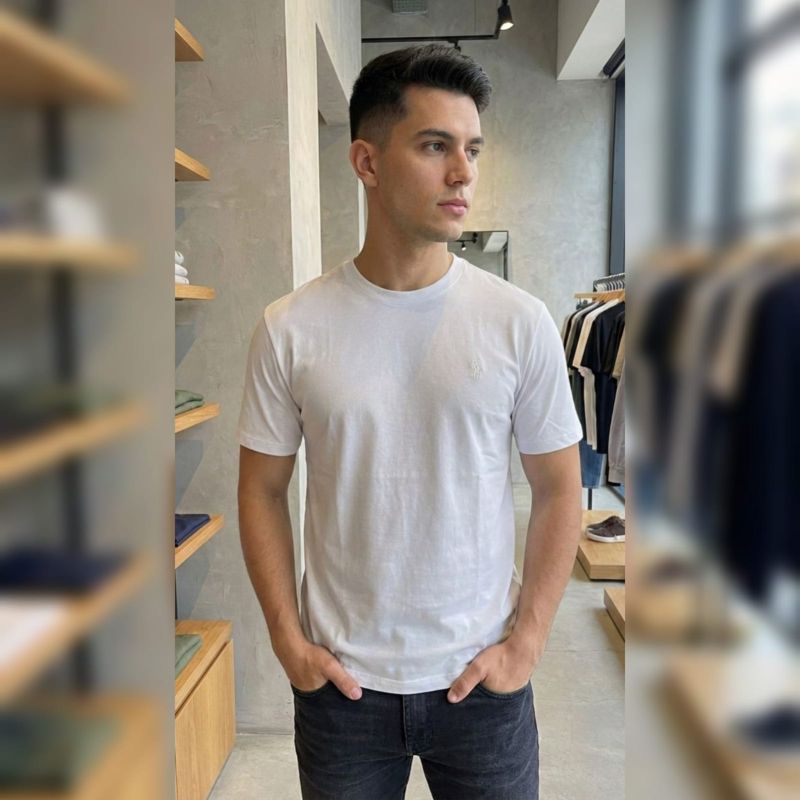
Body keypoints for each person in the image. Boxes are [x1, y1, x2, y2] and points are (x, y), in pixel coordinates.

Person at [237, 43, 582, 800]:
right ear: (367, 161)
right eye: (434, 146)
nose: (464, 173)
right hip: (342, 688)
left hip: (482, 681)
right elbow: (261, 490)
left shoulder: (518, 322)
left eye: (472, 150)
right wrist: (288, 640)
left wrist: (527, 642)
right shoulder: (290, 328)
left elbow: (561, 487)